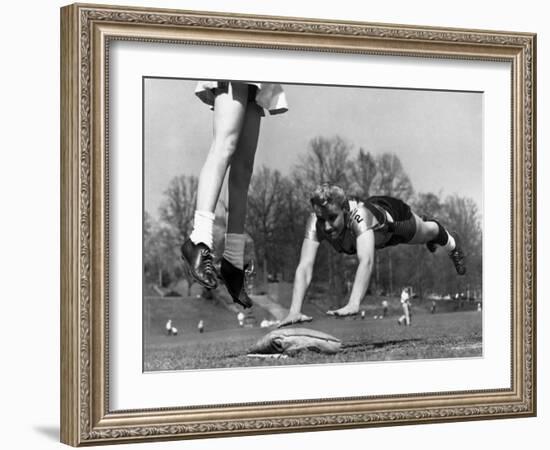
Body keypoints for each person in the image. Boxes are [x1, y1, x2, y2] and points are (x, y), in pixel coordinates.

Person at [278, 183, 466, 327]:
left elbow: (366, 261)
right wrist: (294, 310)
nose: (326, 226)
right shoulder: (315, 222)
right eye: (321, 219)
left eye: (332, 218)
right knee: (425, 235)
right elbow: (305, 266)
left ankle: (452, 242)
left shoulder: (359, 216)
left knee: (428, 231)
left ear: (344, 210)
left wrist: (353, 303)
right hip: (372, 235)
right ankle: (433, 235)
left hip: (395, 223)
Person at [180, 81, 288, 308]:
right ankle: (199, 240)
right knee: (224, 145)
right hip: (236, 57)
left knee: (244, 169)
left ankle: (233, 260)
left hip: (260, 64)